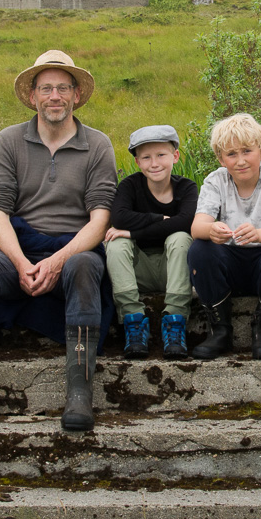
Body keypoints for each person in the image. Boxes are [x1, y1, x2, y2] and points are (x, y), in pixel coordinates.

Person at [0, 50, 117, 432]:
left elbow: (100, 220)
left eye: (63, 88)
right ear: (32, 95)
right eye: (46, 88)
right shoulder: (9, 140)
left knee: (85, 266)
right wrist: (19, 262)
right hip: (20, 247)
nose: (54, 96)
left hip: (74, 248)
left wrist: (56, 261)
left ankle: (79, 394)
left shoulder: (97, 144)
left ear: (76, 95)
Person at [187, 113, 261, 360]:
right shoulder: (216, 180)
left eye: (247, 151)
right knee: (199, 249)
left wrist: (259, 233)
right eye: (231, 154)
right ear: (221, 158)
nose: (240, 161)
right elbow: (197, 227)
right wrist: (211, 229)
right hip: (229, 263)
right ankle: (220, 328)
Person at [105, 125, 197, 358]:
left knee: (180, 237)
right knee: (115, 243)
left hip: (173, 269)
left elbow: (186, 222)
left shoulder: (186, 188)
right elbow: (119, 217)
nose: (154, 163)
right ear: (137, 162)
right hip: (138, 271)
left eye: (161, 155)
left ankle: (175, 320)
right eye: (146, 157)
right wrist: (160, 219)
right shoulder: (130, 185)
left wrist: (134, 232)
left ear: (175, 156)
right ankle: (133, 320)